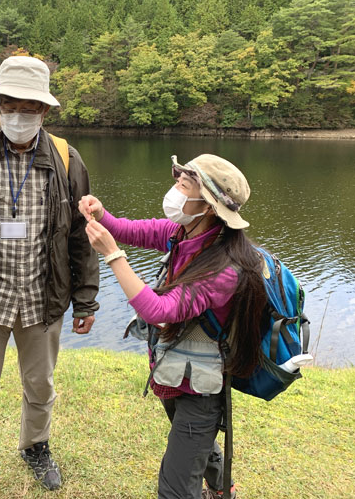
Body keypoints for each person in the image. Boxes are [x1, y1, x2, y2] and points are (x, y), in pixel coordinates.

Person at [0, 55, 99, 498]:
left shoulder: (67, 159)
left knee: (41, 387)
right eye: (9, 104)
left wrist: (86, 299)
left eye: (28, 107)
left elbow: (83, 235)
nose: (18, 115)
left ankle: (35, 446)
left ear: (44, 110)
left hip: (43, 299)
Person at [79, 154, 265, 499]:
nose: (174, 191)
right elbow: (128, 229)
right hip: (172, 372)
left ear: (208, 206)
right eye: (177, 182)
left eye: (183, 186)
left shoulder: (225, 269)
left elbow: (159, 310)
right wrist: (102, 214)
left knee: (175, 487)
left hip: (202, 392)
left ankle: (212, 486)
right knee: (195, 444)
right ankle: (225, 488)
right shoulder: (182, 232)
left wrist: (112, 255)